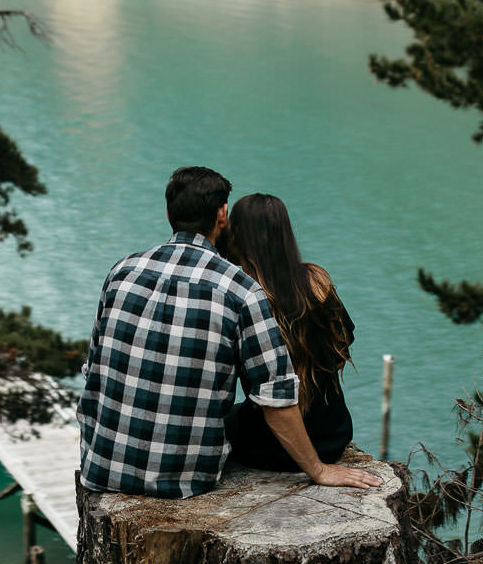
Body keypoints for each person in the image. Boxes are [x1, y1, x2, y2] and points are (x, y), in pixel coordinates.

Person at [77, 166, 384, 497]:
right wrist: (318, 470)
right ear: (221, 215)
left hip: (101, 467)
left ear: (168, 213)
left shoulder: (121, 271)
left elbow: (93, 370)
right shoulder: (247, 290)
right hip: (194, 477)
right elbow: (279, 393)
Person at [219, 193, 356, 472]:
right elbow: (343, 345)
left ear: (238, 237)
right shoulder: (318, 280)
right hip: (332, 436)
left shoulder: (243, 298)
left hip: (270, 446)